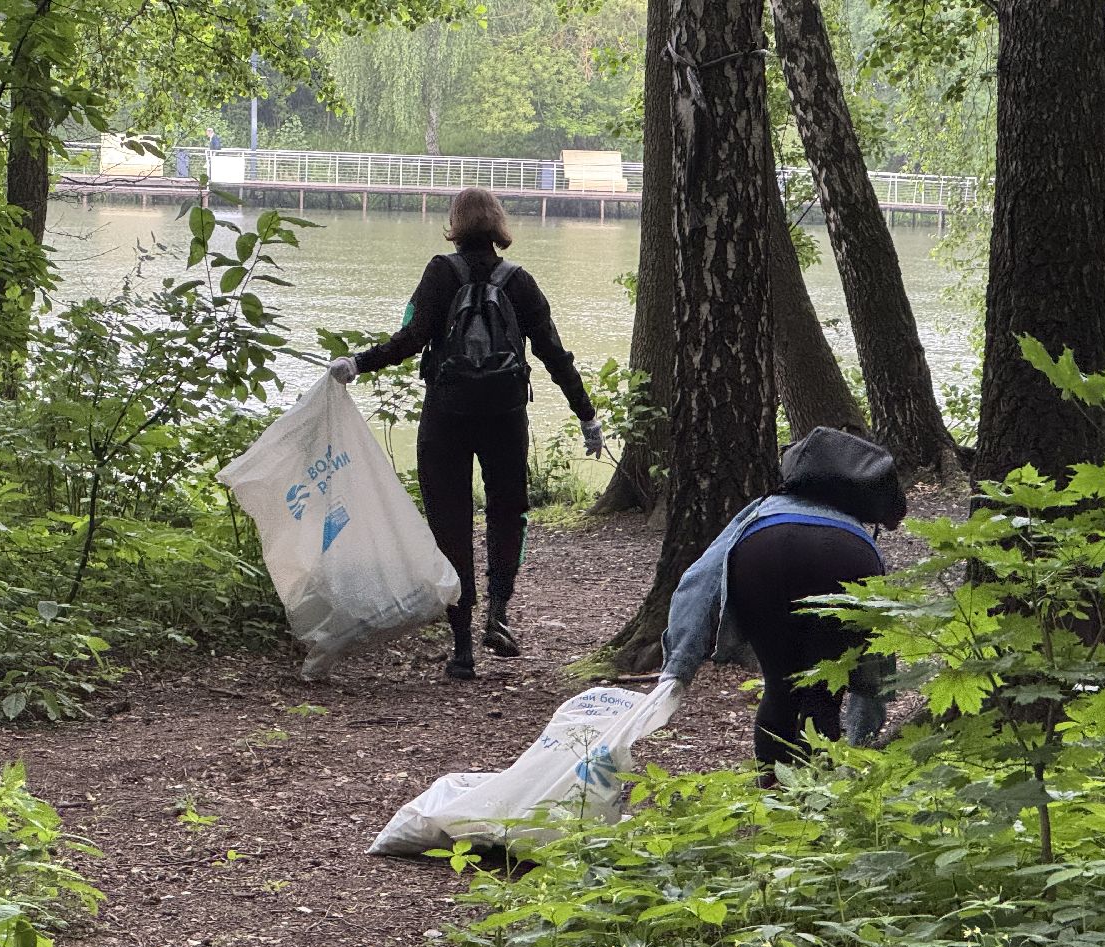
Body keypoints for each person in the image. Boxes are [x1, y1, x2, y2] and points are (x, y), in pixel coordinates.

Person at [329, 187, 604, 681]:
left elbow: (409, 339)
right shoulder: (518, 281)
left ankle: (461, 648)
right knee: (507, 512)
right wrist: (586, 414)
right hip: (504, 415)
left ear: (454, 224)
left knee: (449, 524)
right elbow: (553, 353)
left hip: (446, 417)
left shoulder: (441, 272)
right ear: (498, 225)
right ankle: (498, 613)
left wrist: (357, 363)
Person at [657, 427, 906, 783]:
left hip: (765, 549)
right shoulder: (854, 526)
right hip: (850, 555)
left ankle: (773, 794)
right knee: (824, 691)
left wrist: (679, 664)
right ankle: (819, 800)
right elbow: (877, 646)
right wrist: (865, 731)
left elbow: (701, 577)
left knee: (780, 687)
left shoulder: (764, 508)